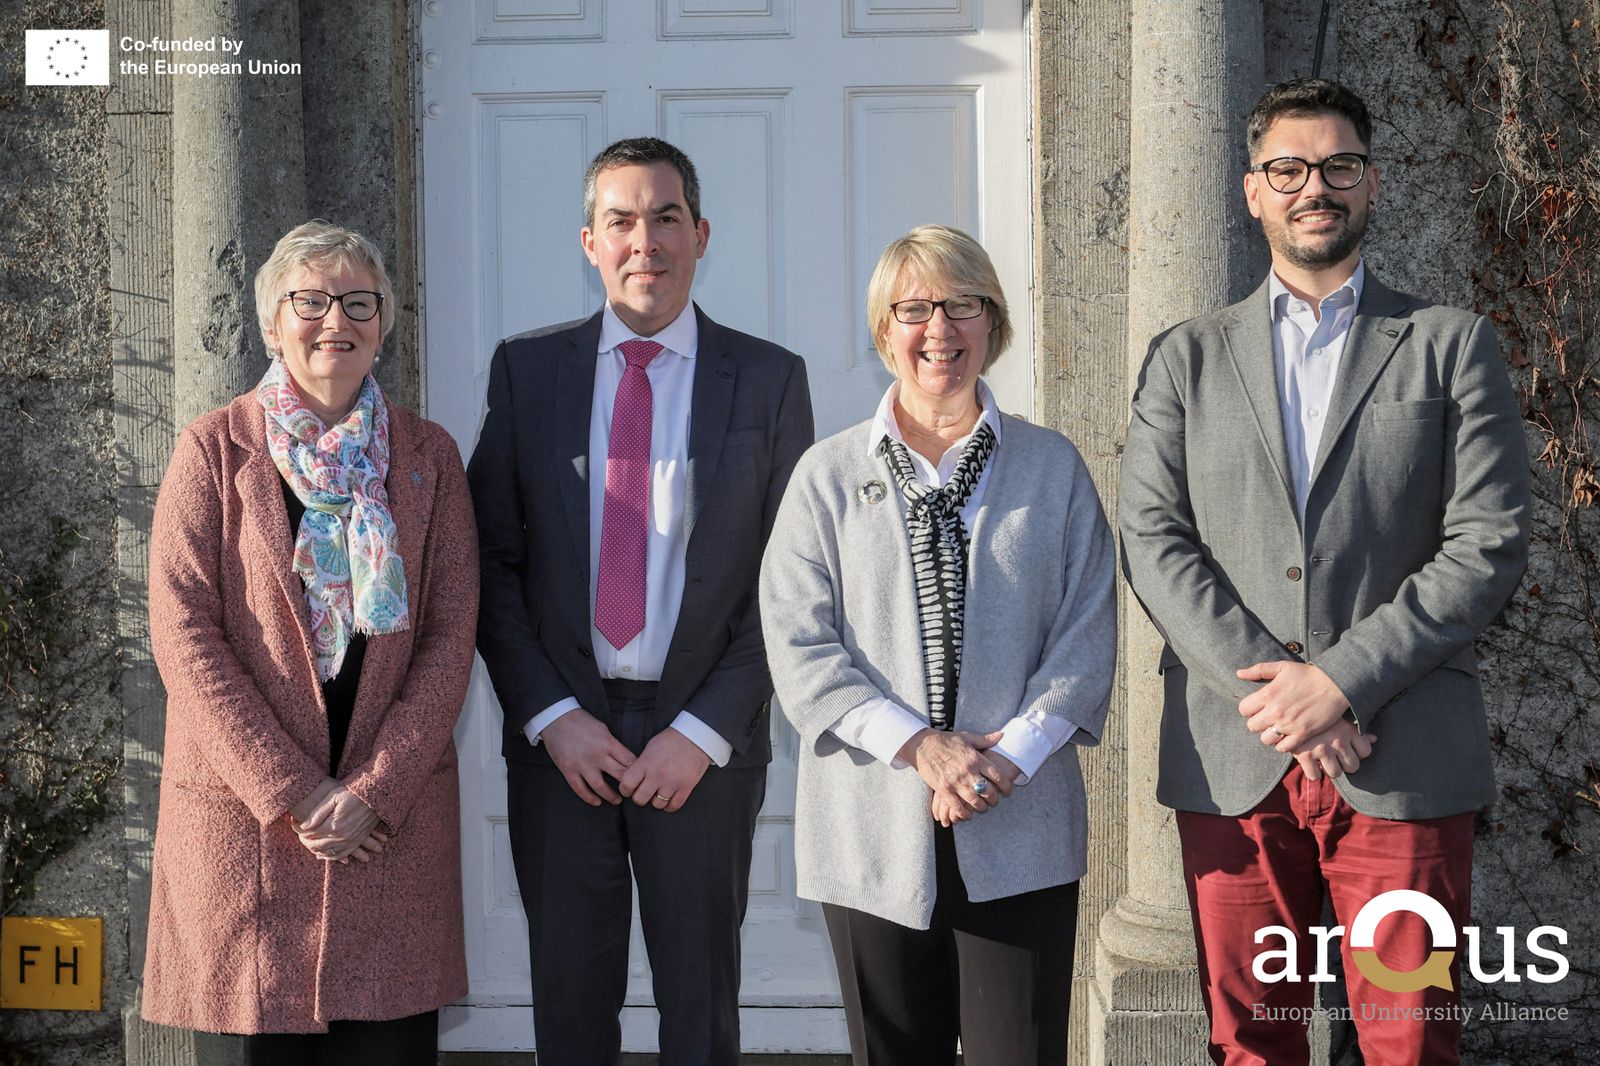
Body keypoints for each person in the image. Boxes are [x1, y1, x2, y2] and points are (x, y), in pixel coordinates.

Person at [1119, 78, 1531, 1066]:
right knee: (1251, 1045)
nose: (1316, 186)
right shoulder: (1183, 359)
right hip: (1235, 758)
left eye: (1338, 166)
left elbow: (1486, 543)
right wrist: (1277, 691)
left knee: (1408, 1042)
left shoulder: (1449, 346)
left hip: (1401, 757)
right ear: (1251, 191)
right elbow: (1151, 535)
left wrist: (1338, 680)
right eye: (1289, 168)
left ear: (1371, 184)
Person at [468, 136, 813, 1065]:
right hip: (563, 745)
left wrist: (701, 731)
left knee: (701, 1015)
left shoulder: (772, 380)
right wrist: (551, 716)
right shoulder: (525, 373)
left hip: (702, 744)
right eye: (620, 220)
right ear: (590, 241)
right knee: (570, 1012)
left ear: (700, 235)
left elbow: (791, 583)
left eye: (666, 218)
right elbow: (489, 566)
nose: (644, 241)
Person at [759, 224, 1116, 1066]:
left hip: (1020, 821)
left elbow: (1088, 629)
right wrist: (923, 750)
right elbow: (798, 644)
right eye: (913, 308)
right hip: (872, 826)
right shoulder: (826, 475)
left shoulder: (1052, 467)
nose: (939, 330)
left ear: (992, 322)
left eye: (962, 305)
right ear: (885, 330)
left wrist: (1002, 759)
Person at [142, 220, 480, 1063]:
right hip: (247, 839)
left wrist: (375, 788)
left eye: (358, 302)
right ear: (271, 322)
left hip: (385, 839)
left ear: (383, 321)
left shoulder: (430, 457)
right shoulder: (212, 451)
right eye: (312, 300)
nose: (337, 319)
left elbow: (450, 633)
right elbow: (184, 634)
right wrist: (296, 790)